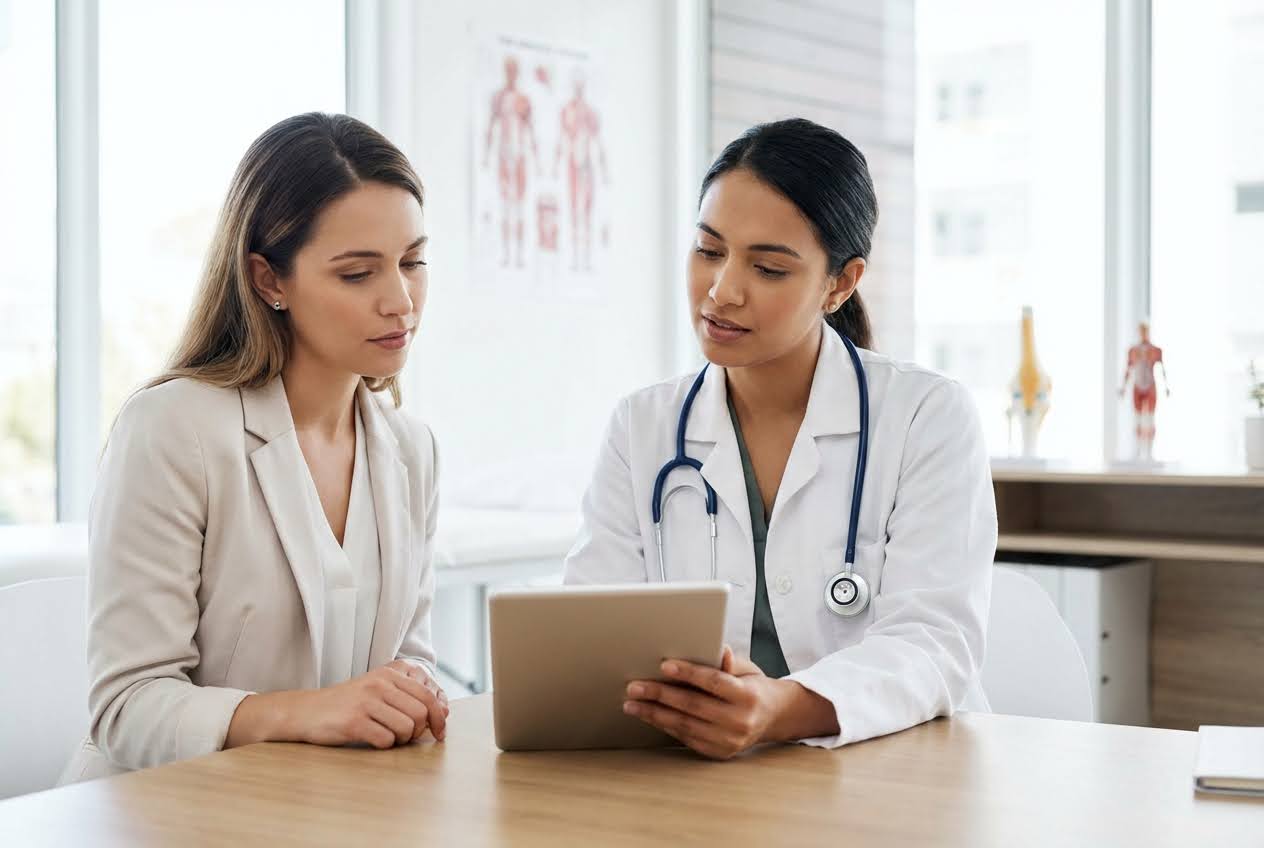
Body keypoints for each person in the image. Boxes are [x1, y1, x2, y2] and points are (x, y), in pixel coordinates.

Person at [564, 118, 997, 759]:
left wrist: (777, 710)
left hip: (890, 771)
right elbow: (587, 629)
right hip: (696, 776)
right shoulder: (643, 427)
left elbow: (934, 642)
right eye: (709, 251)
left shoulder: (926, 416)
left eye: (767, 268)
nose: (721, 291)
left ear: (840, 283)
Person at [59, 113, 448, 784]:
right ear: (269, 280)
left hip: (316, 811)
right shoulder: (173, 429)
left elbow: (409, 664)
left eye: (412, 263)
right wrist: (306, 713)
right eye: (358, 274)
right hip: (156, 816)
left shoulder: (411, 450)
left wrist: (412, 702)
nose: (401, 302)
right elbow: (125, 708)